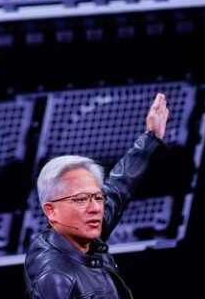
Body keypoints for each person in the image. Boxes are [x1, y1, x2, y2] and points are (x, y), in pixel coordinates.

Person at [25, 93, 169, 298]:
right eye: (81, 200)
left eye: (98, 197)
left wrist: (150, 138)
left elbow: (118, 188)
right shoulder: (56, 277)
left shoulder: (78, 235)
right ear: (51, 211)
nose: (95, 208)